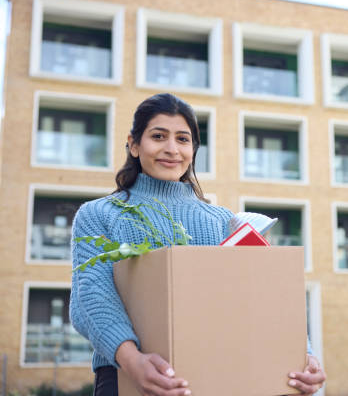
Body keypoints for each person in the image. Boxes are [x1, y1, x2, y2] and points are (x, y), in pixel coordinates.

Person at [69, 93, 326, 396]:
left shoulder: (224, 222)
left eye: (183, 139)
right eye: (158, 136)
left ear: (193, 150)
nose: (171, 149)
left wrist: (303, 355)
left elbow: (263, 298)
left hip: (215, 377)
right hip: (126, 376)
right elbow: (91, 297)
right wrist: (132, 360)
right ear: (134, 144)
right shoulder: (99, 214)